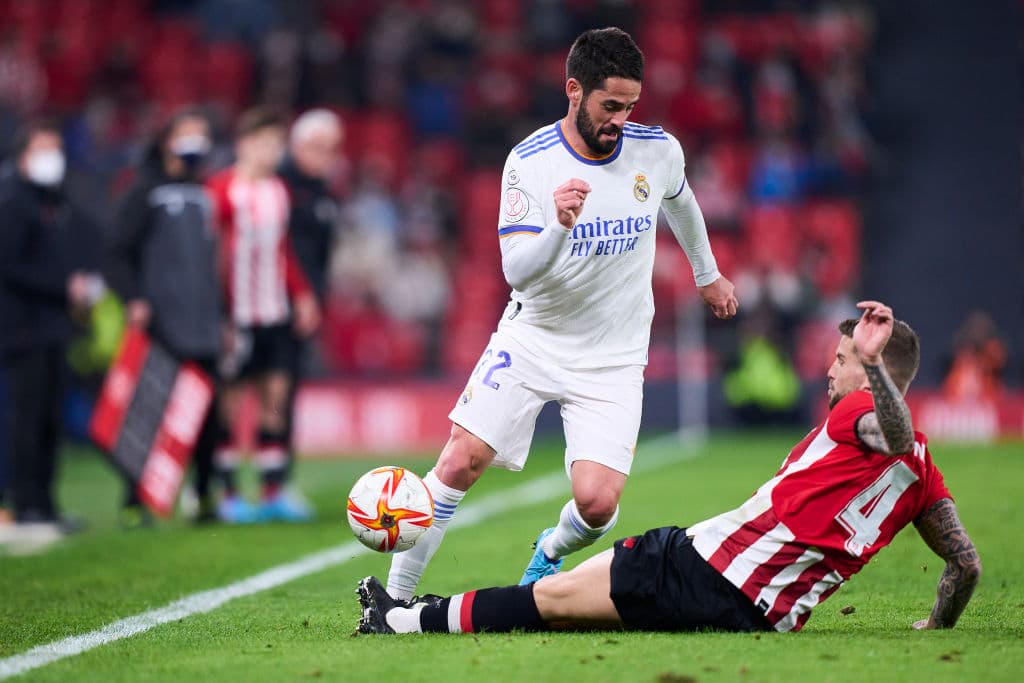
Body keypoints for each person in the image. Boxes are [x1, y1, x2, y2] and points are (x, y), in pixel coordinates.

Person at [358, 302, 981, 635]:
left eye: (844, 359)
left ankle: (403, 618)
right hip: (767, 617)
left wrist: (868, 370)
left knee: (546, 601)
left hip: (705, 567)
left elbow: (890, 431)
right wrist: (936, 624)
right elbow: (965, 564)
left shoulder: (860, 412)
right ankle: (443, 605)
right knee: (569, 608)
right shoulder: (925, 474)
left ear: (877, 370)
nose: (831, 371)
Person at [385, 27, 738, 602]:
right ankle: (395, 598)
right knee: (459, 460)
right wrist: (559, 224)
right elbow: (517, 271)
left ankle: (547, 551)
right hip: (535, 338)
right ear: (574, 90)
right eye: (610, 106)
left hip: (614, 358)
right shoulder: (529, 162)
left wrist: (707, 273)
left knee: (598, 505)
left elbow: (682, 201)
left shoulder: (658, 149)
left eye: (630, 106)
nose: (621, 118)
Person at [105, 108, 223, 526]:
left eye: (201, 134)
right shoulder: (144, 191)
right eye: (187, 134)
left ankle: (205, 494)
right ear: (166, 141)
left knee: (208, 414)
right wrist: (134, 298)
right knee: (149, 411)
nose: (196, 143)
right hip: (161, 320)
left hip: (204, 320)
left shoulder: (207, 193)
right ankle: (133, 500)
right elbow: (116, 254)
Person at [206, 108, 321, 523]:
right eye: (264, 143)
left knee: (276, 398)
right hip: (235, 315)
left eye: (276, 145)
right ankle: (229, 493)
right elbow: (209, 254)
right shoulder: (220, 191)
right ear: (244, 144)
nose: (271, 152)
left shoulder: (278, 191)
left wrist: (302, 295)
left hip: (274, 311)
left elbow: (282, 250)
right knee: (231, 403)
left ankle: (273, 490)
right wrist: (215, 312)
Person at [0, 120, 103, 530]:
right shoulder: (13, 203)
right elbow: (8, 266)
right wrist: (65, 286)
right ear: (22, 156)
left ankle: (44, 502)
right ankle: (24, 501)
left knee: (49, 419)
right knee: (25, 419)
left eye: (56, 148)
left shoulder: (57, 204)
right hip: (22, 328)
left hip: (55, 327)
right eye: (43, 149)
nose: (51, 158)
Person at [277, 109, 342, 487]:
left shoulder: (324, 195)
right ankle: (217, 485)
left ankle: (277, 483)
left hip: (302, 308)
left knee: (285, 392)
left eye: (331, 150)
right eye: (317, 148)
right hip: (267, 304)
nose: (324, 157)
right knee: (239, 393)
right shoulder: (279, 188)